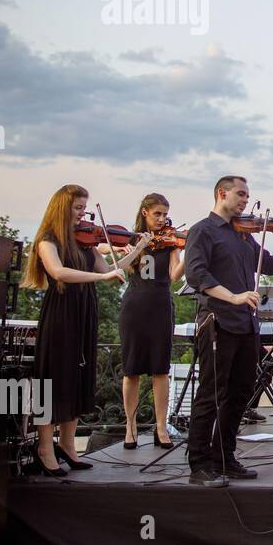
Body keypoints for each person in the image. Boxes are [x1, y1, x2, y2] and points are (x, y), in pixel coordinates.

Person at [22, 184, 142, 476]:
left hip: (85, 312)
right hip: (61, 313)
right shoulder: (47, 240)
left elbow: (110, 270)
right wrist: (101, 278)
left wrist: (138, 249)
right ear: (63, 208)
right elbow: (59, 272)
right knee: (54, 378)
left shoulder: (86, 242)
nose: (83, 214)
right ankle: (44, 448)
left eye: (84, 209)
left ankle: (68, 446)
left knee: (78, 375)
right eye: (78, 208)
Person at [183, 175, 273, 487]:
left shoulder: (243, 236)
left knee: (241, 393)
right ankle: (199, 464)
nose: (246, 201)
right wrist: (233, 296)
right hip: (218, 321)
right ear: (222, 193)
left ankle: (224, 457)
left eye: (247, 196)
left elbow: (271, 264)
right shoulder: (202, 231)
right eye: (241, 194)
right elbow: (195, 274)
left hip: (246, 325)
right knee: (210, 394)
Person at [115, 192, 186, 450]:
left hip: (160, 306)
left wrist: (184, 252)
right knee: (131, 369)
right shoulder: (133, 239)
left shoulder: (169, 243)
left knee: (160, 369)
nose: (162, 219)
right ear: (145, 212)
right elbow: (122, 266)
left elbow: (174, 276)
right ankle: (130, 427)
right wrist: (138, 245)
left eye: (165, 214)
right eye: (157, 213)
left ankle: (160, 428)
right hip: (134, 305)